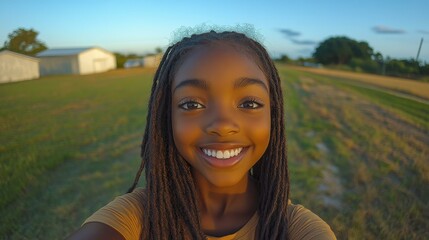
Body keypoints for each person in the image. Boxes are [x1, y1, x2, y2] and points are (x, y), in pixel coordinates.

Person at [66, 29, 336, 240]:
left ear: (273, 116)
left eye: (249, 104)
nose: (222, 125)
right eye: (192, 104)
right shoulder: (137, 215)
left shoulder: (297, 228)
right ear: (166, 118)